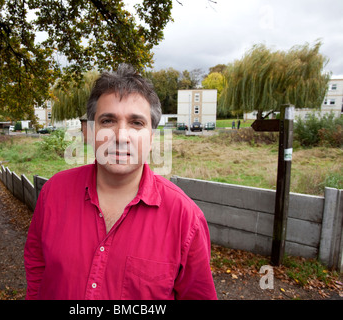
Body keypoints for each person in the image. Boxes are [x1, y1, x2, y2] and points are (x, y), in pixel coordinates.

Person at [24, 64, 217, 300]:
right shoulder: (54, 193)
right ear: (90, 131)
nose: (121, 136)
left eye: (136, 123)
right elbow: (37, 265)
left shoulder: (185, 219)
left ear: (152, 137)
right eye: (108, 121)